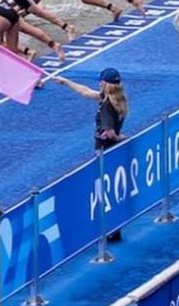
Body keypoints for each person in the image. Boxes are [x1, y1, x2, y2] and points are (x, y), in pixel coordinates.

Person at [48, 67, 128, 240]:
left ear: (105, 84)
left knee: (104, 190)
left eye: (101, 81)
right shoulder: (118, 100)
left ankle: (110, 231)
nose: (98, 84)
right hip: (114, 152)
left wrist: (122, 138)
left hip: (104, 150)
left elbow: (110, 133)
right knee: (114, 188)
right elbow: (85, 92)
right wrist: (66, 82)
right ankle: (116, 228)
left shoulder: (107, 105)